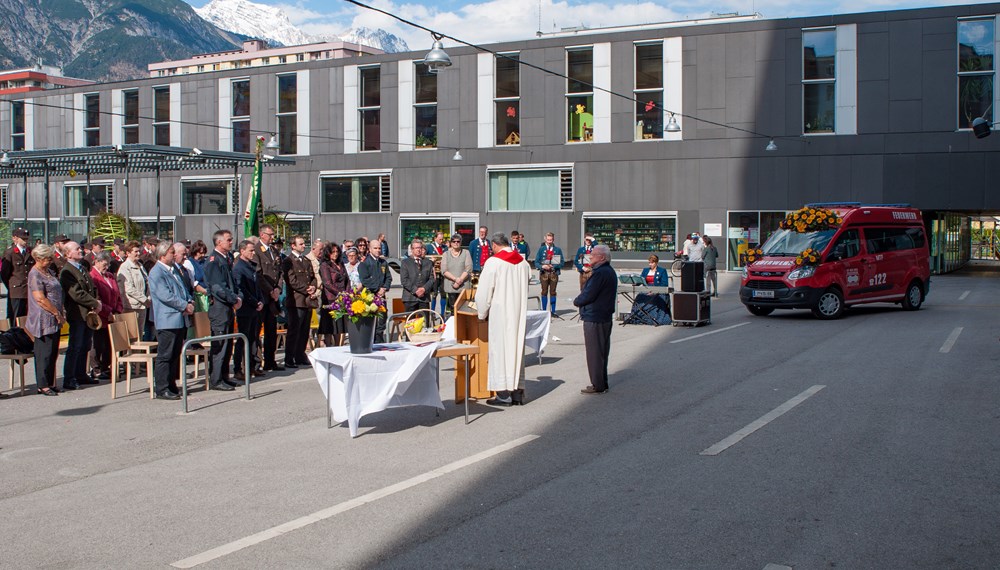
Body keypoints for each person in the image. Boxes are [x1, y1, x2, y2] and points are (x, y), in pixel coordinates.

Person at [474, 233, 531, 407]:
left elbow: (484, 292)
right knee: (516, 351)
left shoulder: (494, 262)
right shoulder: (523, 262)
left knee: (500, 352)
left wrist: (481, 314)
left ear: (494, 245)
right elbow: (528, 281)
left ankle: (503, 393)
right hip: (518, 312)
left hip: (500, 312)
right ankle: (517, 393)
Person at [148, 242, 194, 400]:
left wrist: (190, 301)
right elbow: (165, 295)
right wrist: (184, 305)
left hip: (179, 318)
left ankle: (171, 384)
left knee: (175, 354)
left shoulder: (173, 269)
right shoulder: (156, 272)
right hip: (167, 319)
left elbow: (183, 289)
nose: (174, 255)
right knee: (165, 354)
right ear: (162, 255)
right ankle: (162, 388)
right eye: (171, 252)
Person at [202, 230, 243, 391]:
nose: (231, 242)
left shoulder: (226, 258)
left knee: (227, 344)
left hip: (227, 307)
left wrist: (237, 298)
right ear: (219, 242)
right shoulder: (213, 261)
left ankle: (224, 376)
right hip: (219, 308)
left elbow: (232, 283)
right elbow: (218, 287)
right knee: (219, 344)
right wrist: (233, 299)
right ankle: (216, 379)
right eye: (228, 239)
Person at [573, 244, 616, 394]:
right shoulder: (608, 271)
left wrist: (577, 301)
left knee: (595, 353)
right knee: (602, 351)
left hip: (595, 317)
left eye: (594, 254)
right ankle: (601, 382)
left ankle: (597, 384)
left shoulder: (600, 273)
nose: (590, 256)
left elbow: (589, 294)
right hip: (603, 316)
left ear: (602, 257)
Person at [59, 241, 102, 390]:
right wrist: (95, 303)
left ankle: (81, 374)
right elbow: (76, 293)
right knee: (75, 346)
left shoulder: (82, 268)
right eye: (77, 249)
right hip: (77, 313)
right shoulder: (67, 271)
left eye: (80, 248)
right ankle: (69, 378)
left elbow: (92, 287)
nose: (81, 250)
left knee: (85, 345)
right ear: (68, 253)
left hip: (88, 313)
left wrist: (96, 302)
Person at [25, 244, 65, 396]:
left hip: (54, 317)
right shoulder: (34, 274)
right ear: (38, 258)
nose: (50, 261)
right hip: (43, 318)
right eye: (47, 259)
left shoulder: (48, 271)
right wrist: (56, 312)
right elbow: (40, 298)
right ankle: (42, 384)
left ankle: (50, 382)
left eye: (50, 258)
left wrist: (59, 313)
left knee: (53, 351)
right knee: (44, 352)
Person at [282, 235, 316, 368]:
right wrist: (307, 289)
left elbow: (312, 276)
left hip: (307, 300)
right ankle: (289, 357)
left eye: (303, 244)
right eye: (300, 244)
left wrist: (313, 286)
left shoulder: (306, 260)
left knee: (304, 330)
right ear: (293, 246)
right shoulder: (288, 261)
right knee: (294, 330)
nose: (303, 246)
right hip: (296, 301)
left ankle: (300, 355)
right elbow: (291, 281)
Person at [232, 240, 264, 379]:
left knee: (253, 339)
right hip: (245, 308)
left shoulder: (251, 266)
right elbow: (241, 289)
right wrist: (254, 302)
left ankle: (252, 367)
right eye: (250, 250)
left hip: (255, 308)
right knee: (243, 339)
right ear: (242, 251)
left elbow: (257, 286)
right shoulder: (239, 267)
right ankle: (238, 368)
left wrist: (261, 300)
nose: (253, 253)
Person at [89, 252, 123, 380]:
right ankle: (96, 368)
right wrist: (107, 312)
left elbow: (117, 294)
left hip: (112, 315)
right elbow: (96, 298)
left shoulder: (110, 276)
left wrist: (117, 310)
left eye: (108, 264)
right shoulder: (93, 276)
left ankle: (106, 366)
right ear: (96, 262)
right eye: (104, 264)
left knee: (109, 343)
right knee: (98, 343)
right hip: (101, 315)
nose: (106, 267)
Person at [254, 225, 284, 371]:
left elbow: (279, 272)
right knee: (258, 331)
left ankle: (271, 360)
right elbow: (259, 275)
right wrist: (270, 290)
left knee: (271, 330)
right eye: (269, 234)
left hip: (273, 297)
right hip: (263, 296)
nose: (272, 237)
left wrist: (278, 289)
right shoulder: (257, 250)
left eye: (273, 234)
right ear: (262, 234)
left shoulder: (273, 250)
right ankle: (257, 362)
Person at [359, 238, 392, 342]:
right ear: (369, 249)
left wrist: (384, 288)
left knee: (382, 320)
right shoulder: (365, 264)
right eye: (375, 248)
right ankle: (372, 342)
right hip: (370, 296)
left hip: (382, 296)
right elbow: (365, 280)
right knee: (371, 321)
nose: (378, 250)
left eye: (379, 248)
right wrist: (377, 289)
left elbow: (388, 277)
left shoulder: (383, 263)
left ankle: (380, 340)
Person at [2, 227, 35, 323]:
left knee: (27, 317)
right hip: (16, 291)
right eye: (23, 238)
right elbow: (4, 273)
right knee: (15, 317)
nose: (26, 241)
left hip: (29, 289)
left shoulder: (30, 251)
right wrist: (12, 285)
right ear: (15, 238)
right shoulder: (10, 253)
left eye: (27, 238)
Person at [117, 240, 150, 332]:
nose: (138, 253)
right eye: (135, 251)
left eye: (139, 251)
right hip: (132, 307)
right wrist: (144, 299)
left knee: (140, 334)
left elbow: (147, 283)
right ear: (128, 253)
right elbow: (129, 288)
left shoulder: (141, 266)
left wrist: (149, 297)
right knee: (133, 336)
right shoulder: (125, 267)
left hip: (143, 306)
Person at [319, 242, 348, 347]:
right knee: (329, 327)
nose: (335, 254)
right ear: (328, 253)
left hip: (341, 299)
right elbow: (327, 283)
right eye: (333, 252)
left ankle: (337, 346)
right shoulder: (324, 265)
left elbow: (347, 280)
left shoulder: (341, 264)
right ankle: (329, 347)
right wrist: (340, 293)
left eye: (337, 252)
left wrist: (347, 293)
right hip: (330, 299)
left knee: (339, 326)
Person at [401, 238, 435, 311]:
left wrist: (424, 289)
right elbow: (404, 280)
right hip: (410, 298)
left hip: (424, 298)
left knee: (425, 321)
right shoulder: (405, 263)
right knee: (411, 322)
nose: (418, 250)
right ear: (412, 249)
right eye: (416, 248)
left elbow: (431, 279)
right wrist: (416, 290)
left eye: (420, 248)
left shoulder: (428, 263)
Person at [441, 234, 472, 316]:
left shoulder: (466, 253)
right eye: (454, 241)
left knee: (464, 310)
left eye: (458, 241)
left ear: (461, 242)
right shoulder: (446, 254)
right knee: (452, 310)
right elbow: (444, 270)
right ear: (451, 243)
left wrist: (459, 280)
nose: (456, 243)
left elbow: (468, 268)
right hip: (451, 287)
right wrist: (455, 279)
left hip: (463, 286)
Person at [534, 232, 564, 315]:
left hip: (554, 273)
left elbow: (562, 263)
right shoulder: (541, 249)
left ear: (553, 240)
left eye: (551, 240)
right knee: (544, 291)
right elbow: (536, 262)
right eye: (548, 240)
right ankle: (544, 311)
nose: (549, 242)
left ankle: (553, 311)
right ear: (545, 239)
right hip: (544, 273)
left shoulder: (558, 250)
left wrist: (554, 266)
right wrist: (542, 266)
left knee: (553, 292)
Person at [184, 240, 210, 312]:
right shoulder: (189, 263)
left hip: (208, 295)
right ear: (195, 252)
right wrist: (204, 291)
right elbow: (193, 282)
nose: (203, 255)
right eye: (201, 253)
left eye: (204, 253)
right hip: (198, 296)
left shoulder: (205, 262)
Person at [425, 231, 447, 315]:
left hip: (443, 273)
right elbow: (425, 259)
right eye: (440, 239)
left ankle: (442, 313)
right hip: (434, 274)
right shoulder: (429, 247)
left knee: (443, 293)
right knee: (434, 294)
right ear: (435, 239)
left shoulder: (445, 248)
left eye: (442, 239)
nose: (442, 241)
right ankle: (432, 312)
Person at [306, 238, 325, 311]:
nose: (322, 251)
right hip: (314, 295)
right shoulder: (307, 260)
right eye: (320, 249)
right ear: (313, 248)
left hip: (322, 294)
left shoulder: (322, 260)